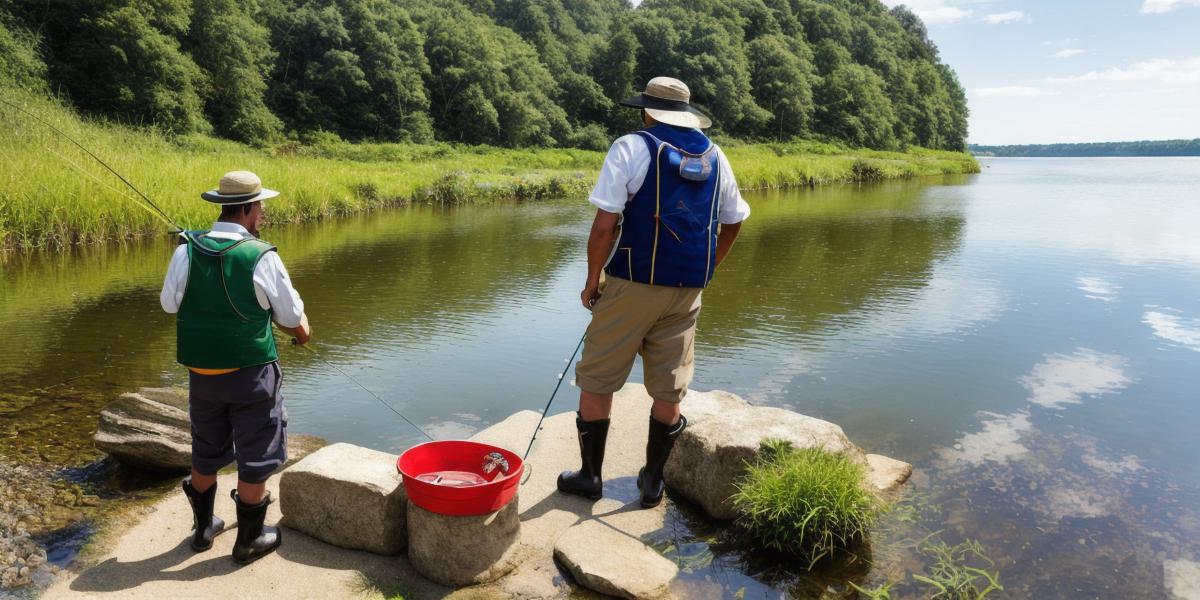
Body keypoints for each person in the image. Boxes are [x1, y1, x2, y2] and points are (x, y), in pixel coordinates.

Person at [557, 77, 750, 508]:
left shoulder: (631, 146)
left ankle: (590, 477)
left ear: (647, 111)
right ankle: (651, 485)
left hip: (631, 283)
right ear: (685, 112)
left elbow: (605, 225)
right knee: (669, 386)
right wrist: (709, 266)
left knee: (598, 377)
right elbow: (735, 220)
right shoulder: (715, 154)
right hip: (687, 289)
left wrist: (592, 281)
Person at [160, 171, 311, 564]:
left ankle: (204, 528)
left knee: (206, 447)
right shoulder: (262, 255)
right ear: (245, 209)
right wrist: (302, 332)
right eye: (260, 206)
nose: (262, 213)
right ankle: (249, 540)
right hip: (251, 376)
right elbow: (291, 314)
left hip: (202, 375)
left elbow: (169, 305)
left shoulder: (185, 251)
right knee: (257, 451)